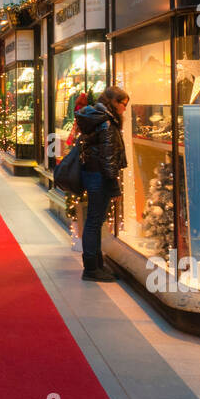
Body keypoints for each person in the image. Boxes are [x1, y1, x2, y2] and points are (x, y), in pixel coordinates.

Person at [74, 86, 129, 282]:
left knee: (95, 221)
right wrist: (114, 184)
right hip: (99, 175)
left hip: (94, 174)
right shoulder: (106, 122)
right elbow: (107, 157)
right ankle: (91, 268)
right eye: (122, 104)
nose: (124, 108)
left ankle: (96, 264)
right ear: (113, 102)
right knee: (94, 221)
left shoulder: (98, 117)